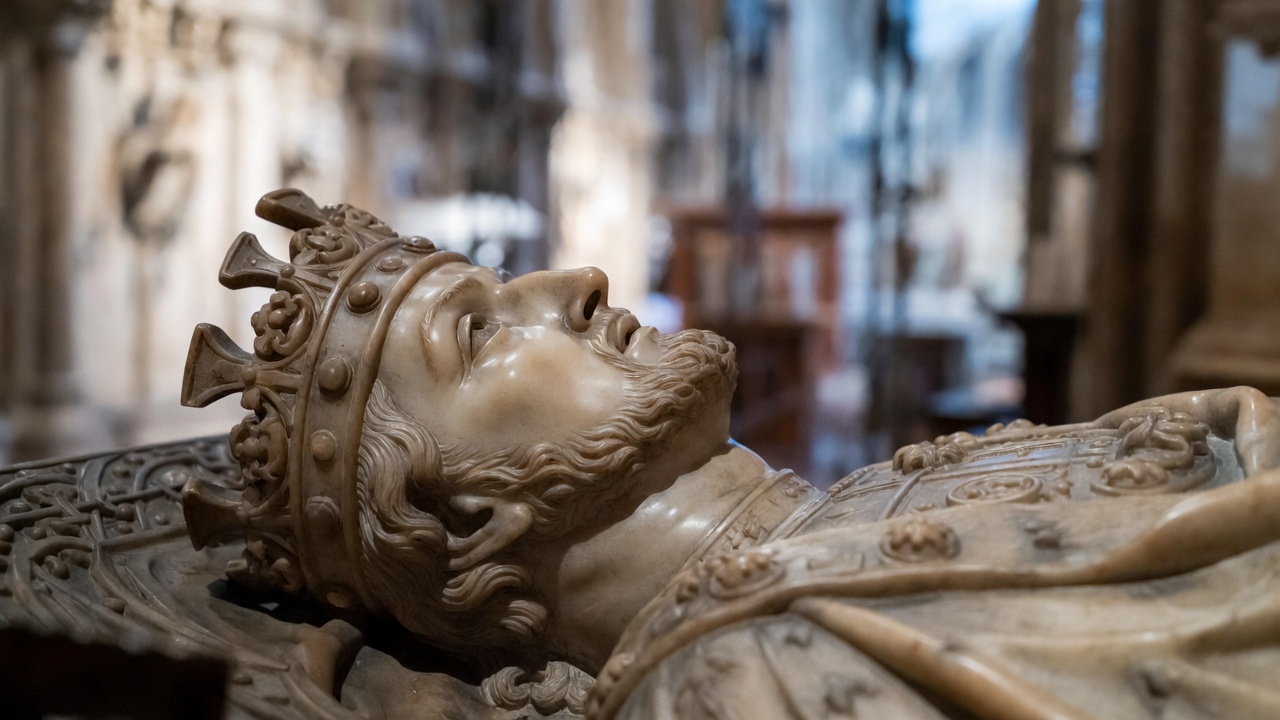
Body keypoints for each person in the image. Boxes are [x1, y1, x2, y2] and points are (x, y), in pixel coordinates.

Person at [8, 189, 1280, 719]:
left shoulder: (840, 519)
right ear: (463, 513)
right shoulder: (748, 676)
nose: (570, 280)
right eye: (476, 330)